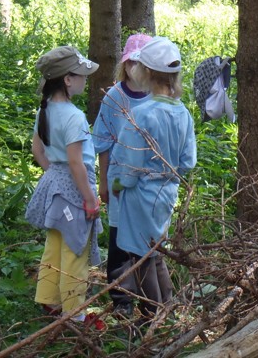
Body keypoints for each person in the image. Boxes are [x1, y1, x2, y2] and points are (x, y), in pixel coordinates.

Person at [109, 37, 197, 320]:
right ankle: (166, 309)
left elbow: (129, 167)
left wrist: (117, 184)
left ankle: (153, 315)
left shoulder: (141, 114)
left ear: (146, 73)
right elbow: (187, 162)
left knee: (142, 257)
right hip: (166, 194)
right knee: (156, 251)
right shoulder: (182, 113)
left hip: (139, 198)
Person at [24, 45, 104, 326]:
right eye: (81, 74)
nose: (85, 78)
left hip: (54, 186)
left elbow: (37, 150)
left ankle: (49, 299)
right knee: (76, 249)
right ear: (67, 80)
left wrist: (52, 173)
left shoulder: (44, 110)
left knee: (55, 243)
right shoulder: (74, 117)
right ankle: (76, 313)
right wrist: (90, 199)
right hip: (75, 190)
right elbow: (76, 162)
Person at [92, 33, 152, 317]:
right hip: (119, 182)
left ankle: (151, 300)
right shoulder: (114, 97)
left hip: (150, 185)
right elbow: (103, 142)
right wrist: (102, 181)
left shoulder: (158, 97)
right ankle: (121, 301)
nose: (136, 70)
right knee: (119, 241)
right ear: (125, 65)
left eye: (143, 64)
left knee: (148, 241)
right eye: (132, 63)